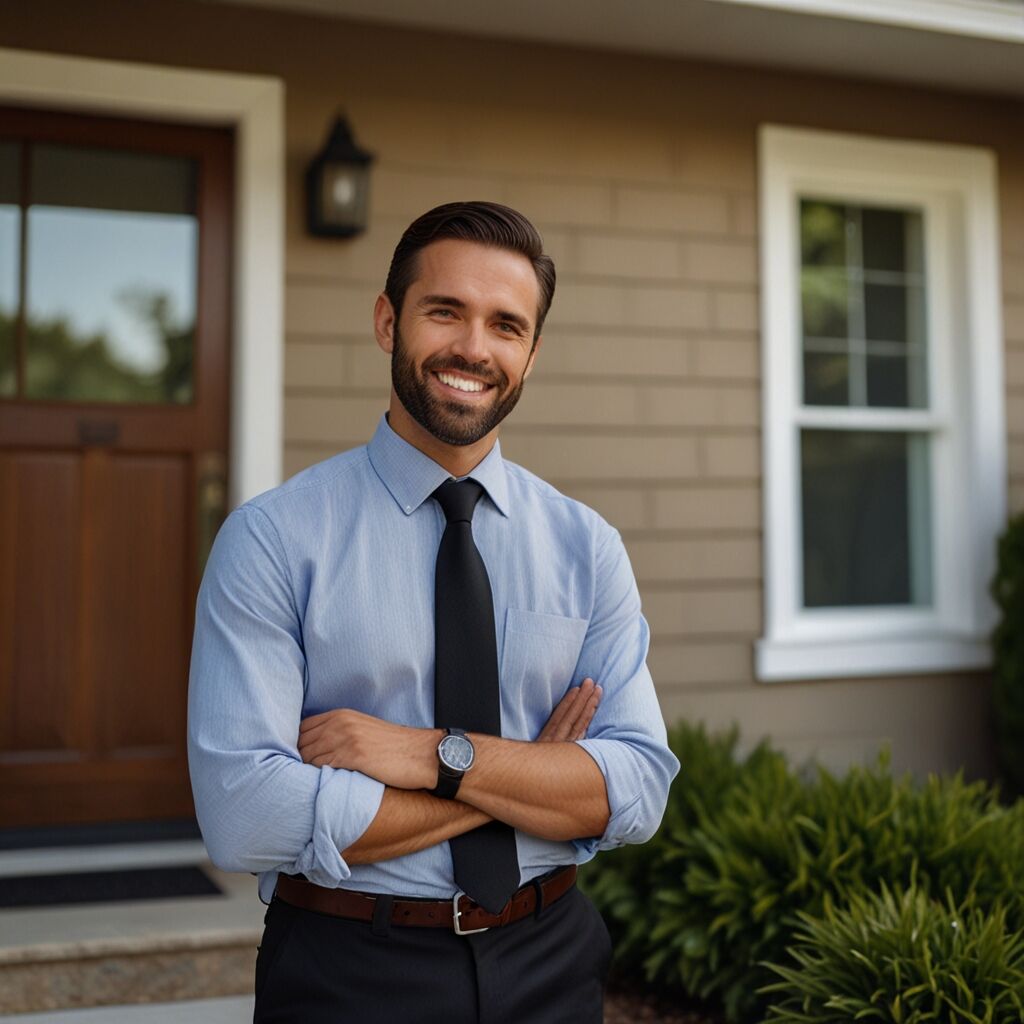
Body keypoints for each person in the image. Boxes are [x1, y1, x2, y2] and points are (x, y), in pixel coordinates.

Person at [187, 201, 679, 1023]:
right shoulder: (272, 541)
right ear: (389, 321)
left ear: (532, 353)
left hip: (551, 955)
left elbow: (632, 789)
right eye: (444, 311)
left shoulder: (587, 548)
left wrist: (430, 756)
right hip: (350, 969)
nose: (473, 349)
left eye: (506, 325)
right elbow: (245, 815)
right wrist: (522, 774)